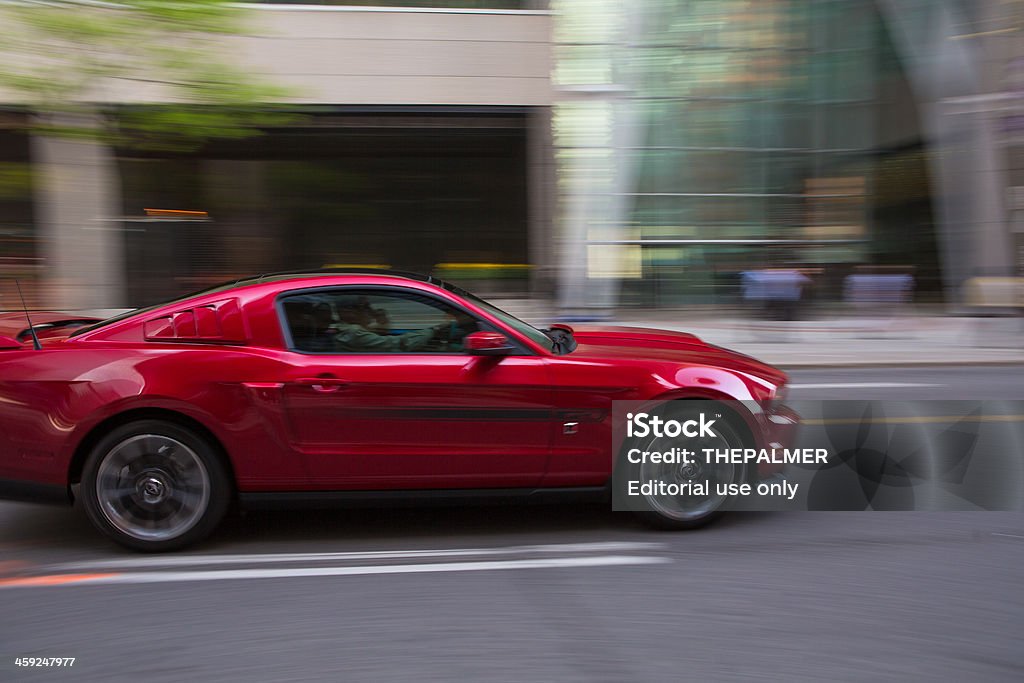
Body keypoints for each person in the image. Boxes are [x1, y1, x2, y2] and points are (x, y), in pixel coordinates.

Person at [330, 296, 450, 352]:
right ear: (347, 313)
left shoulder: (347, 329)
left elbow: (378, 336)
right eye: (365, 307)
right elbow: (399, 345)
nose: (371, 311)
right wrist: (435, 329)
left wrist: (382, 321)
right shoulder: (353, 332)